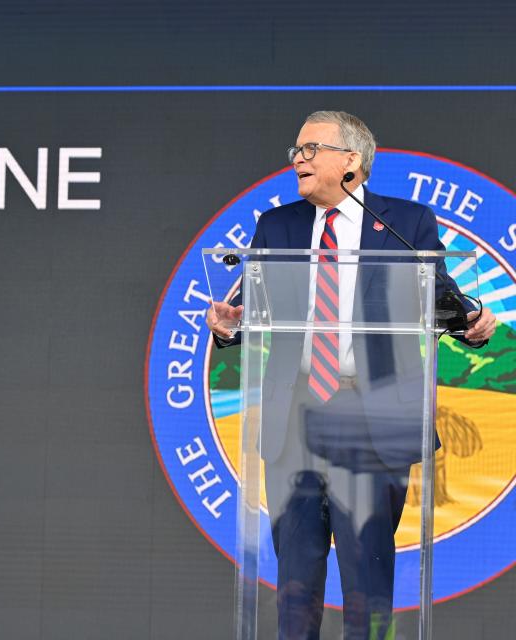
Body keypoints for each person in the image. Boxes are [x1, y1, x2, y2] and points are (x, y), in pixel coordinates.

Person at [207, 111, 497, 639]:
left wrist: (472, 321)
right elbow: (252, 310)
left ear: (351, 161)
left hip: (374, 419)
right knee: (296, 579)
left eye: (310, 149)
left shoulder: (406, 224)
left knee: (367, 581)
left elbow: (441, 297)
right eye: (296, 149)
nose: (298, 159)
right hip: (294, 418)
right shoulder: (279, 226)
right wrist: (229, 329)